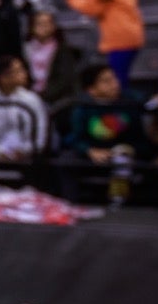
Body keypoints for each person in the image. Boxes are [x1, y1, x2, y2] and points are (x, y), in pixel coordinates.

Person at [58, 63, 151, 203]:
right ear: (92, 90)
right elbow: (74, 138)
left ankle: (130, 206)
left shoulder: (130, 102)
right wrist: (89, 150)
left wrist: (128, 150)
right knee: (66, 159)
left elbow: (142, 140)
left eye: (114, 78)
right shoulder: (83, 107)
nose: (115, 84)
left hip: (126, 153)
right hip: (95, 155)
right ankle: (70, 204)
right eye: (106, 81)